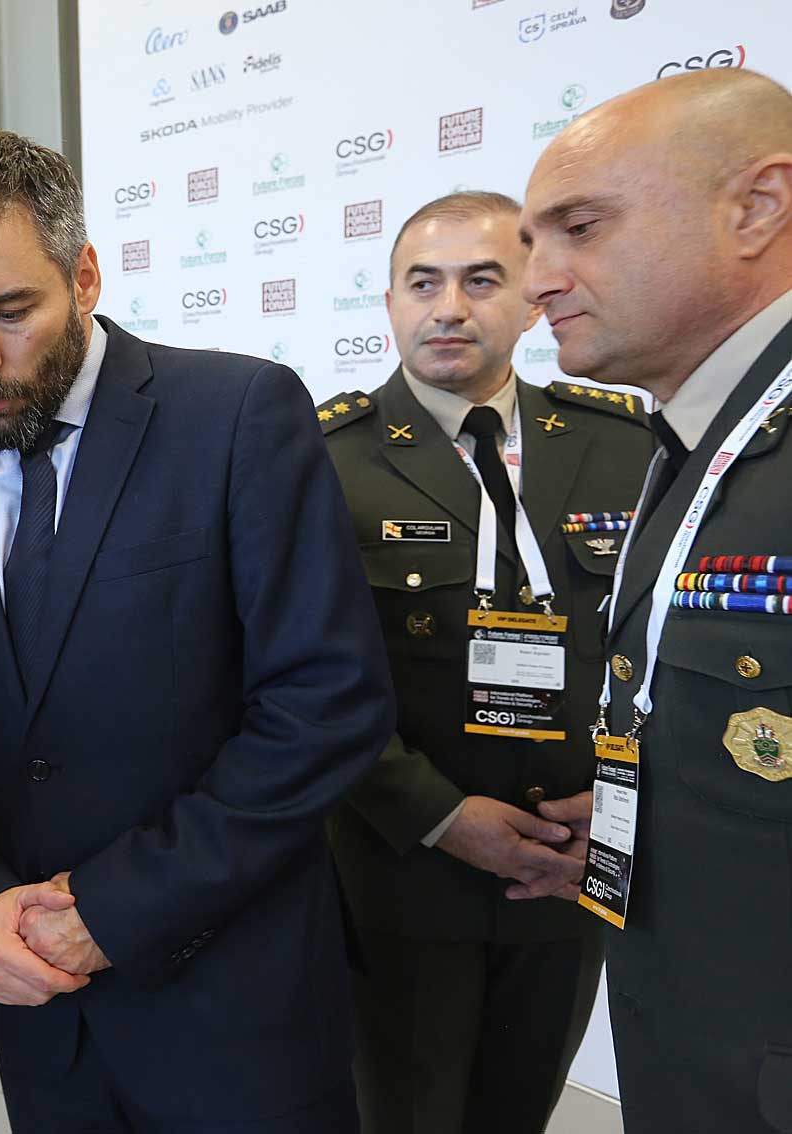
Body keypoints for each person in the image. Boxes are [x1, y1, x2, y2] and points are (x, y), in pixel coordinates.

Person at [0, 129, 396, 1133]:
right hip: (40, 1016)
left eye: (9, 312)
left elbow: (327, 704)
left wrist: (113, 909)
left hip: (232, 1007)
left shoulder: (237, 415)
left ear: (82, 276)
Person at [319, 191, 652, 1134]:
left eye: (481, 280)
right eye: (422, 284)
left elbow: (656, 653)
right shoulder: (318, 458)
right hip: (399, 873)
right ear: (389, 303)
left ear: (531, 298)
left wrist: (614, 820)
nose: (449, 308)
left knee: (519, 1112)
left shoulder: (623, 443)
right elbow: (301, 679)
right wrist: (437, 816)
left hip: (568, 873)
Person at [518, 69, 792, 1134]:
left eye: (580, 228)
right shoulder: (690, 433)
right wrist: (662, 810)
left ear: (756, 208)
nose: (538, 280)